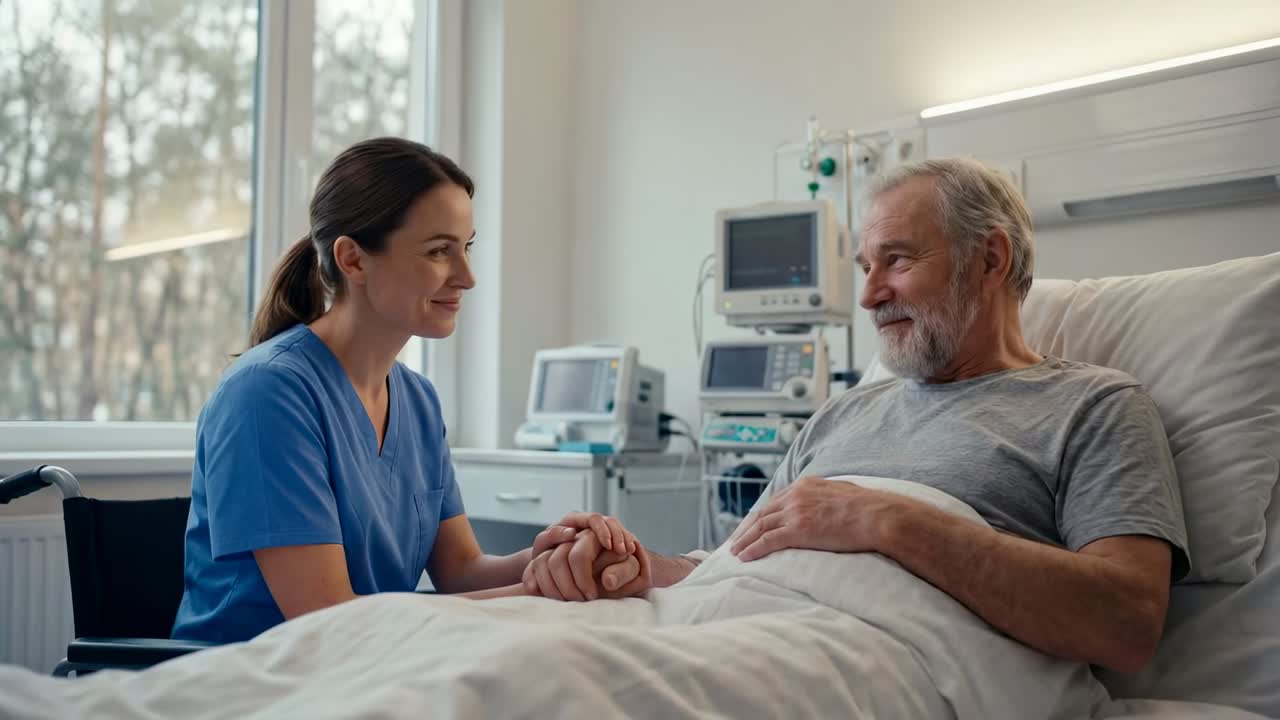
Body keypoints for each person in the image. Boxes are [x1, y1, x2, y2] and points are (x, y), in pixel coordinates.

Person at [523, 158, 1189, 675]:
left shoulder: (1094, 408)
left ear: (990, 259)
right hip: (728, 630)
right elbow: (736, 565)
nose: (869, 295)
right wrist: (641, 570)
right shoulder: (838, 417)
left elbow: (1126, 624)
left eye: (897, 260)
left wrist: (885, 519)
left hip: (865, 662)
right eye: (866, 265)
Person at [172, 138, 640, 644]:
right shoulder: (267, 395)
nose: (467, 277)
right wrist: (540, 594)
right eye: (440, 251)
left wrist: (557, 558)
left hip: (367, 669)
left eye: (467, 248)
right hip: (253, 681)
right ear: (353, 260)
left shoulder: (417, 400)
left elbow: (462, 570)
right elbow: (325, 618)